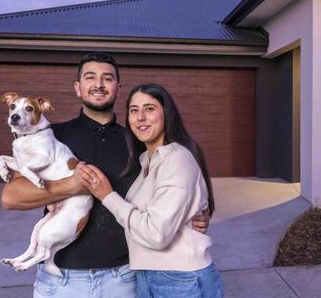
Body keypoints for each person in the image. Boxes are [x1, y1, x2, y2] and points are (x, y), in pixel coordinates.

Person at [0, 53, 209, 298]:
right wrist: (74, 184)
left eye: (107, 78)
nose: (99, 84)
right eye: (90, 77)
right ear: (78, 88)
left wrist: (196, 213)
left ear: (118, 88)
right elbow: (10, 197)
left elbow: (175, 188)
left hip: (124, 278)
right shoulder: (49, 136)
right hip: (61, 282)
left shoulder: (139, 140)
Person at [77, 83, 223, 298]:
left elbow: (156, 235)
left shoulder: (177, 159)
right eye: (134, 110)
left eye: (150, 108)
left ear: (167, 114)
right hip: (149, 275)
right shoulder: (147, 161)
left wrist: (107, 195)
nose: (140, 117)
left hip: (180, 279)